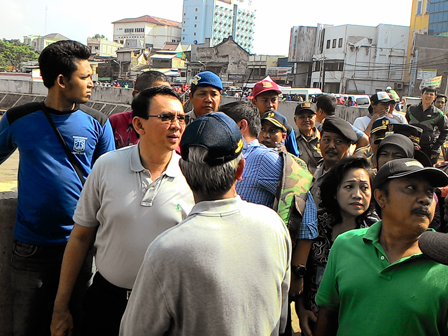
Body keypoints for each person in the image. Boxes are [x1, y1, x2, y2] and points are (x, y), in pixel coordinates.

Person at [120, 112, 292, 335]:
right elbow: (280, 316)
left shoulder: (166, 249)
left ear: (182, 171)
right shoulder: (274, 225)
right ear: (240, 170)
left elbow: (135, 330)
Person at [51, 87, 194, 336]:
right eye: (166, 117)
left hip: (165, 308)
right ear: (139, 124)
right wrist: (61, 306)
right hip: (107, 302)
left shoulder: (192, 176)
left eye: (181, 118)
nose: (176, 125)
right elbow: (81, 236)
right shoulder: (107, 166)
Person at [0, 40, 115, 336]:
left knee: (78, 325)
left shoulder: (98, 122)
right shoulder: (17, 119)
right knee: (28, 326)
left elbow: (109, 182)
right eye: (86, 77)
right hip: (30, 250)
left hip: (81, 246)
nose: (93, 83)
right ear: (62, 81)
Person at [314, 158, 448, 336]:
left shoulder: (443, 261)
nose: (424, 199)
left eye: (430, 192)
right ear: (381, 197)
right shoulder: (345, 244)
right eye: (411, 188)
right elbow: (328, 314)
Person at [298, 157, 378, 336]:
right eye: (349, 187)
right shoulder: (316, 223)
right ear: (335, 191)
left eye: (364, 188)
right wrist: (301, 310)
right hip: (314, 320)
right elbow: (302, 269)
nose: (357, 194)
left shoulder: (377, 231)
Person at [109, 71, 170, 149]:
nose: (165, 100)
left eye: (168, 94)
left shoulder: (173, 125)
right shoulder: (116, 121)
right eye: (157, 94)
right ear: (136, 95)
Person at [310, 116, 357, 210]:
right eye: (327, 140)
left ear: (348, 146)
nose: (331, 146)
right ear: (320, 142)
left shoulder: (349, 175)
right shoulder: (320, 167)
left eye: (338, 142)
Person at [251, 79, 300, 156]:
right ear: (254, 102)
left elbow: (295, 159)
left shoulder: (286, 128)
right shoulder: (248, 127)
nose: (270, 105)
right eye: (265, 100)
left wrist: (285, 153)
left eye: (273, 100)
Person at [406, 86, 448, 165]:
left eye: (431, 94)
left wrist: (435, 148)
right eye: (426, 93)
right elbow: (405, 126)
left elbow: (445, 131)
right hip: (411, 146)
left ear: (434, 97)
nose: (428, 96)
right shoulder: (411, 109)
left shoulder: (438, 114)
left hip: (428, 149)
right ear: (422, 95)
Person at [294, 102, 322, 174]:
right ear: (295, 120)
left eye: (310, 116)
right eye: (302, 117)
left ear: (316, 118)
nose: (306, 120)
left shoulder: (323, 139)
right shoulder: (291, 140)